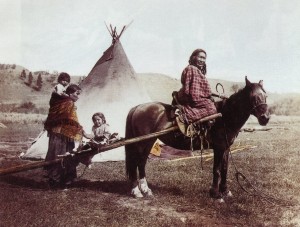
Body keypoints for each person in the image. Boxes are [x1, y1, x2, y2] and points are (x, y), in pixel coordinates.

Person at [44, 83, 90, 189]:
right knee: (62, 156)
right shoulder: (69, 103)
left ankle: (56, 180)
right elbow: (73, 120)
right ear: (70, 93)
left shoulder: (60, 102)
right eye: (77, 93)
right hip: (61, 134)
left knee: (57, 154)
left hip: (56, 132)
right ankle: (58, 182)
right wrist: (83, 132)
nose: (78, 96)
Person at [173, 48, 217, 123]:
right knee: (211, 108)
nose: (202, 60)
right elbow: (192, 91)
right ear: (194, 57)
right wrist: (206, 99)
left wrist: (208, 97)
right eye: (200, 57)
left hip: (192, 96)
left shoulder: (197, 70)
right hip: (189, 97)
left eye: (204, 58)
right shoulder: (191, 69)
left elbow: (200, 89)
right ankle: (185, 115)